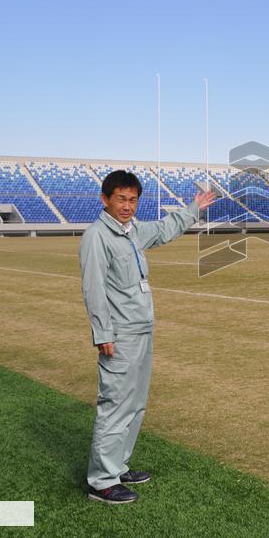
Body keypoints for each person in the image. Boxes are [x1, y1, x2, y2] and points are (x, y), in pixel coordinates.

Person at [79, 169, 215, 504]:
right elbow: (93, 288)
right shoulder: (97, 237)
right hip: (119, 336)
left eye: (133, 199)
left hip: (143, 330)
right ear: (105, 199)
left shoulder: (134, 231)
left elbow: (166, 229)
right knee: (115, 405)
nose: (127, 206)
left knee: (136, 404)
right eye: (121, 199)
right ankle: (101, 481)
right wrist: (103, 332)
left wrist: (194, 207)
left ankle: (118, 466)